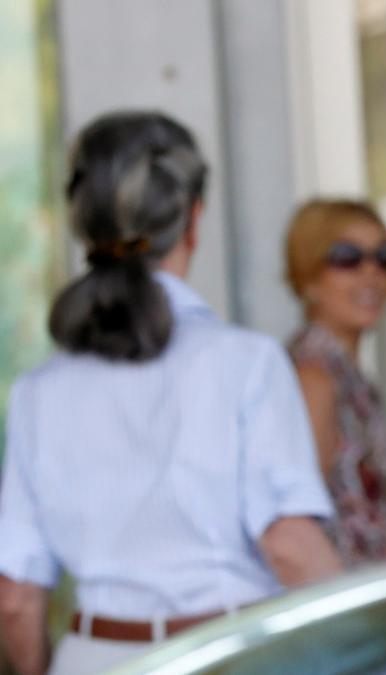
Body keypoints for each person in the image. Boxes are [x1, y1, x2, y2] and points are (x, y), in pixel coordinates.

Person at [0, 111, 342, 675]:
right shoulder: (246, 363)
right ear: (194, 220)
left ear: (85, 227)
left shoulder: (38, 392)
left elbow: (17, 596)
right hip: (230, 654)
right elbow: (289, 544)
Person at [284, 199, 386, 565]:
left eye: (385, 256)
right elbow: (297, 528)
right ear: (308, 277)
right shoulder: (314, 377)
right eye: (347, 257)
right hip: (350, 608)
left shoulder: (349, 376)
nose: (371, 273)